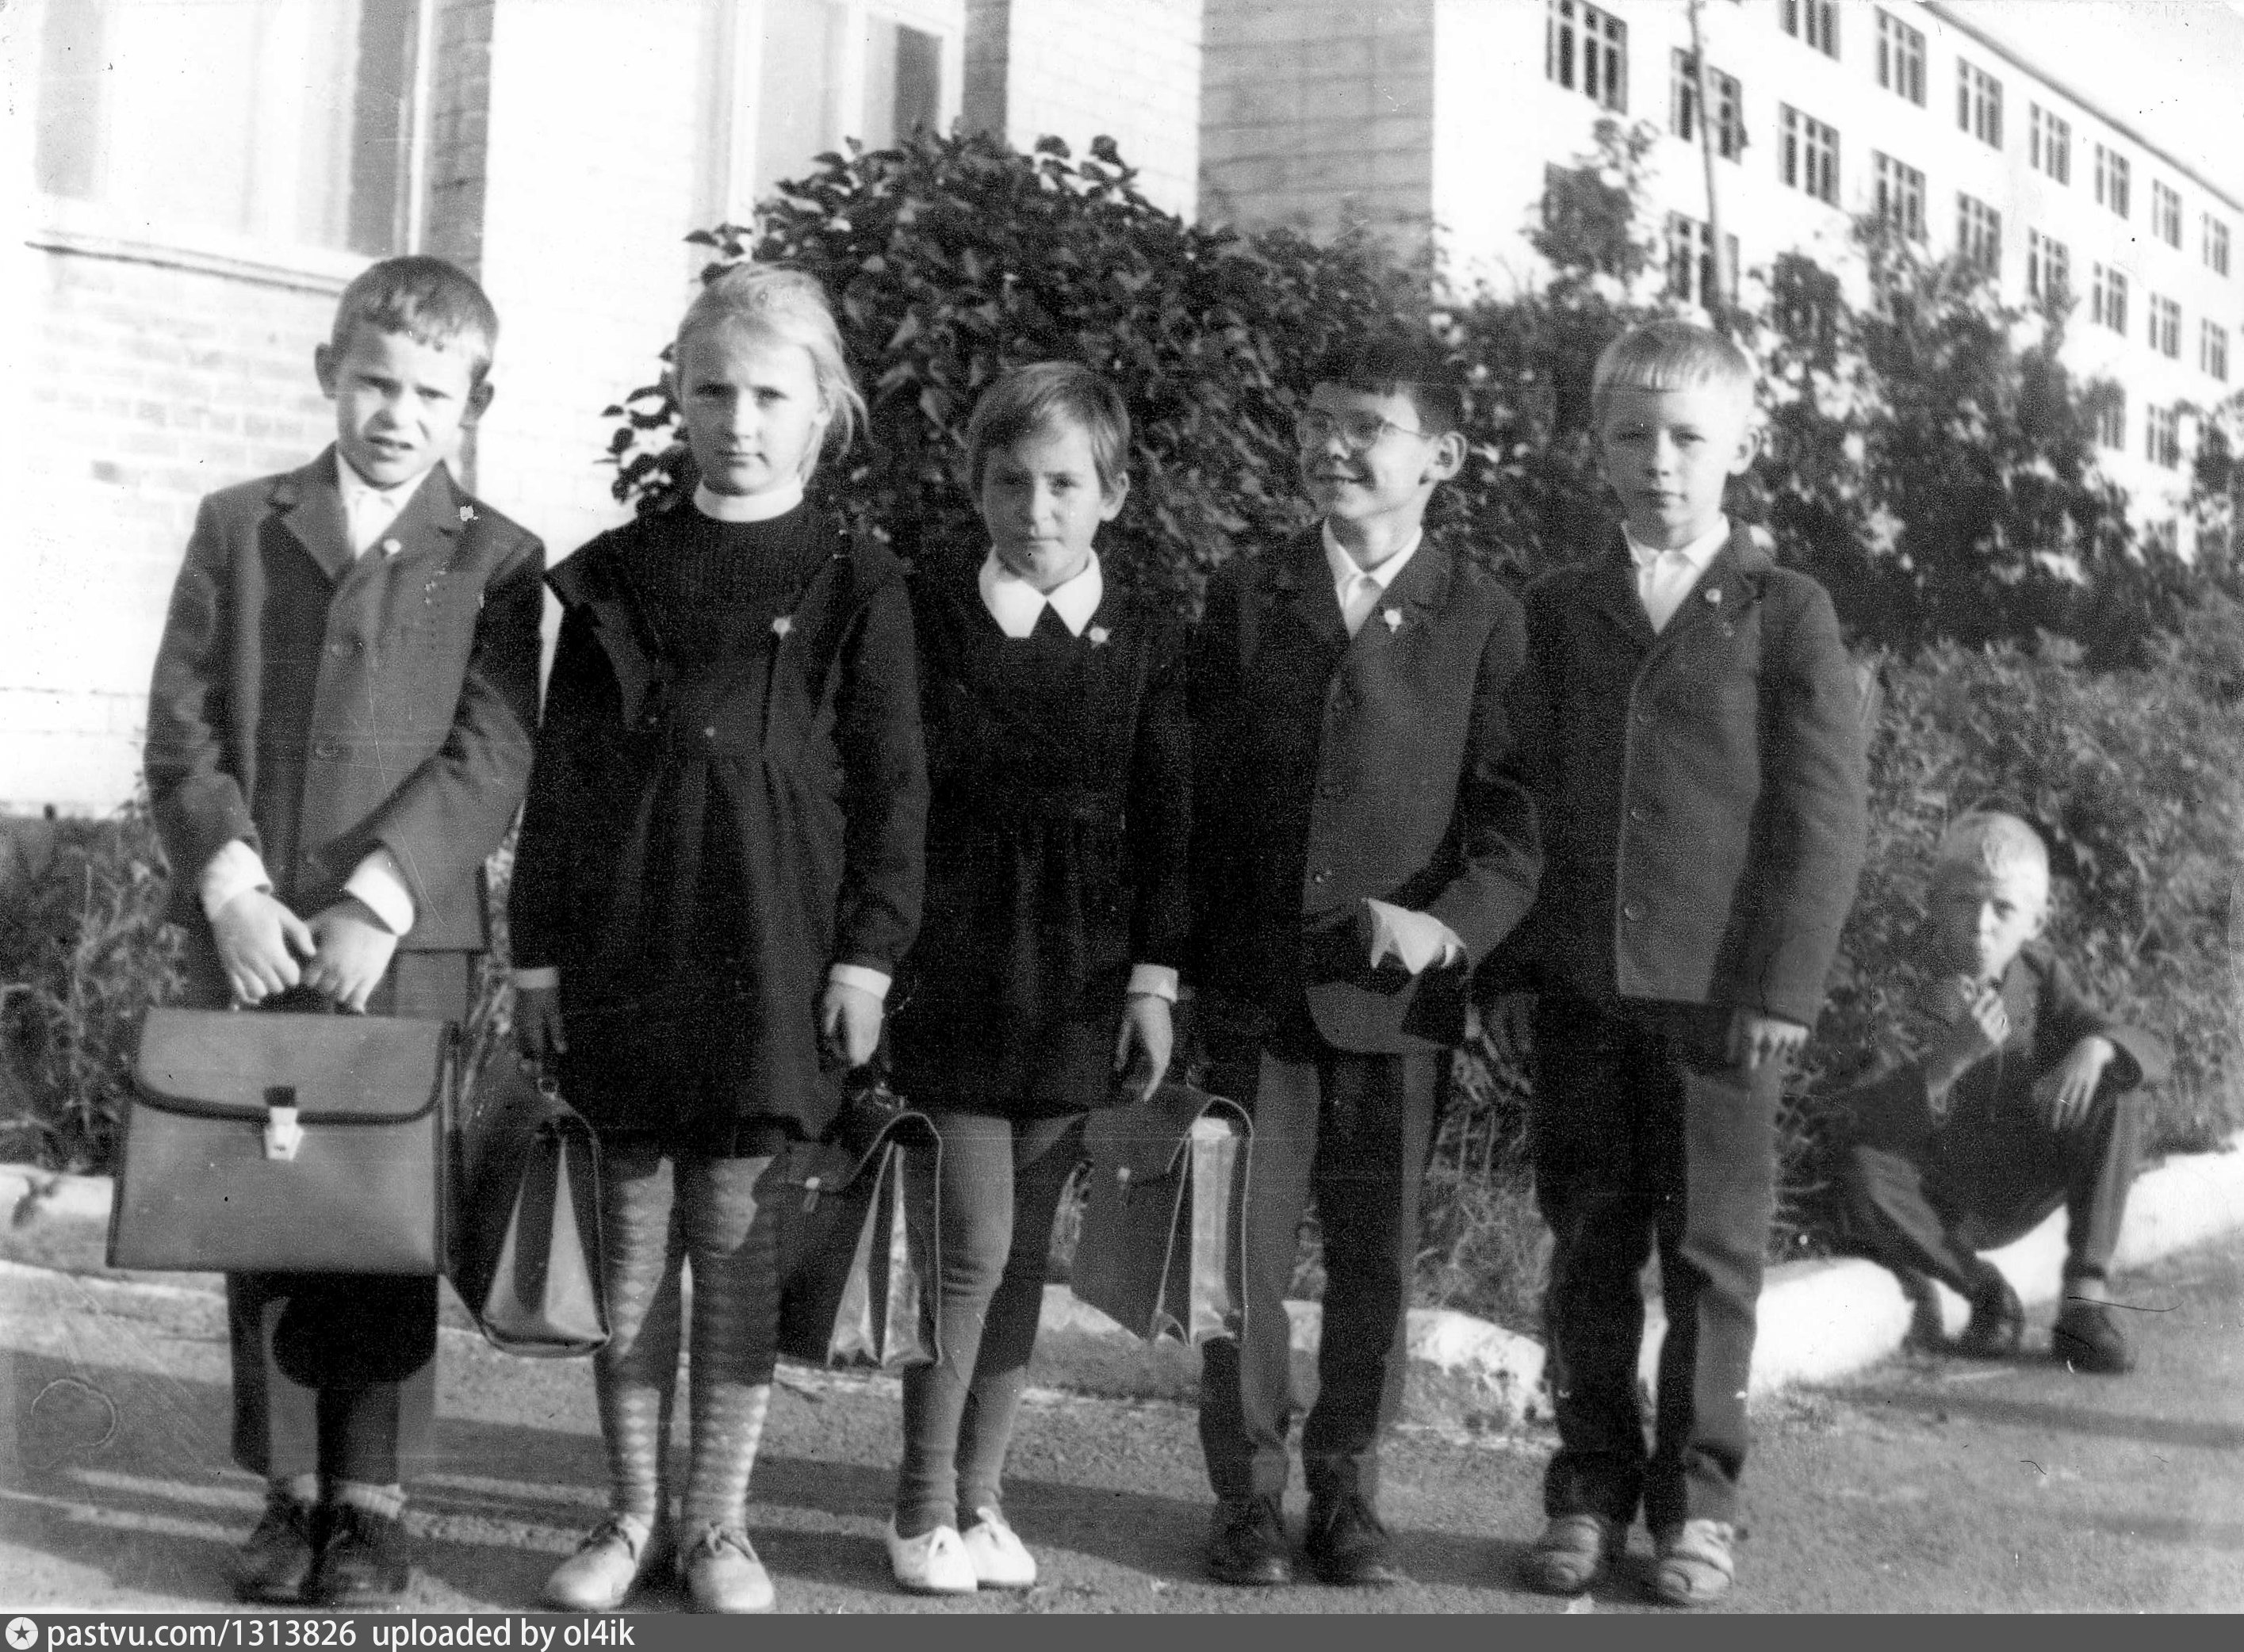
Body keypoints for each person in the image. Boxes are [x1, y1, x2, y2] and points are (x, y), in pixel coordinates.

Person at [508, 266, 925, 1615]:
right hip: (630, 944)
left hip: (777, 950)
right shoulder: (618, 573)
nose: (739, 421)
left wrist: (866, 956)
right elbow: (563, 780)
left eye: (769, 396)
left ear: (823, 410)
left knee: (739, 1245)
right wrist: (537, 957)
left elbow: (894, 790)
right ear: (678, 399)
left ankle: (720, 1527)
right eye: (713, 391)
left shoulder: (859, 578)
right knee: (633, 1248)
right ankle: (631, 1512)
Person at [144, 255, 543, 1607]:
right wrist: (232, 888)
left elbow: (492, 752)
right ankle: (287, 1491)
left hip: (401, 947)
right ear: (330, 371)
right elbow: (183, 729)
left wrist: (381, 895)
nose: (396, 413)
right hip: (255, 938)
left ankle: (370, 1503)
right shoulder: (239, 526)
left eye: (431, 393)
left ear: (473, 403)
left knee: (382, 1213)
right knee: (265, 1201)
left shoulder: (496, 558)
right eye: (375, 381)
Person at [1491, 319, 1868, 1607]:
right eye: (1633, 435)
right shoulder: (1558, 605)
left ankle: (1699, 1501)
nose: (1660, 461)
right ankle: (1588, 1487)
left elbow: (1820, 817)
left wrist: (1780, 988)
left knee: (1712, 1260)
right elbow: (1522, 795)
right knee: (1588, 1242)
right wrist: (1518, 965)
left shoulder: (1784, 609)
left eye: (1688, 438)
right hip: (1586, 990)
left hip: (1721, 1005)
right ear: (1596, 449)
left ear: (1741, 449)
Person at [1185, 332, 1538, 1589]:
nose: (1331, 447)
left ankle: (1347, 1492)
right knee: (1237, 1260)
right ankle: (1246, 1496)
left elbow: (1511, 825)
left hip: (1394, 1005)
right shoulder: (1247, 595)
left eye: (1365, 428)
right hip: (1255, 995)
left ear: (1440, 457)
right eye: (1316, 421)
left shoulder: (1482, 616)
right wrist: (1175, 969)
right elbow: (1195, 793)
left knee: (1375, 1259)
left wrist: (1452, 927)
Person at [882, 361, 1191, 1595]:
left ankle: (980, 1496)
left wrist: (1152, 983)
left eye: (1064, 483)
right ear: (977, 487)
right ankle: (917, 1505)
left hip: (1081, 981)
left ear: (1111, 493)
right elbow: (890, 805)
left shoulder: (1151, 639)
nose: (1036, 509)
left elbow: (1169, 825)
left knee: (1022, 1260)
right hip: (953, 973)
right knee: (969, 1243)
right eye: (1009, 482)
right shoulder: (924, 619)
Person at [1825, 811, 2169, 1375]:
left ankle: (2084, 1306)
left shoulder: (2037, 973)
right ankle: (1987, 1293)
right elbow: (1859, 1119)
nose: (1980, 926)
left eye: (2003, 909)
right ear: (1935, 902)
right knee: (1861, 1173)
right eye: (1964, 902)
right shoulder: (1900, 978)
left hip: (2013, 1183)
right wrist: (1950, 1060)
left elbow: (2149, 1049)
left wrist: (2097, 1047)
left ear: (2037, 921)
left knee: (2116, 1085)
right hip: (1933, 1196)